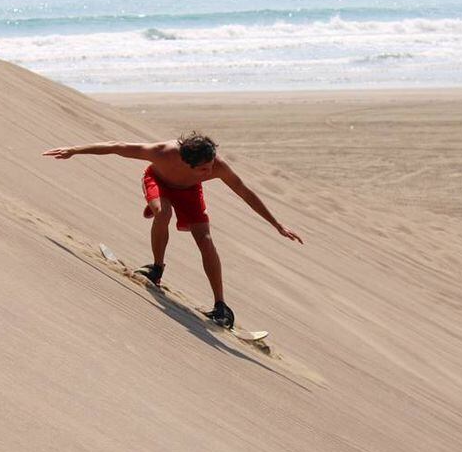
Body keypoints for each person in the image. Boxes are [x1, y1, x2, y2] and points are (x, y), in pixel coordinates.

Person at [42, 132, 302, 328]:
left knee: (206, 239)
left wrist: (276, 224)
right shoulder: (161, 153)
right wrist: (74, 150)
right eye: (203, 169)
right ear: (185, 161)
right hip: (158, 182)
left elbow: (244, 191)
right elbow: (117, 147)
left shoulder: (216, 165)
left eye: (211, 165)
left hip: (190, 193)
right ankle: (156, 268)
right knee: (163, 212)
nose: (210, 171)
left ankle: (221, 306)